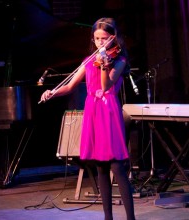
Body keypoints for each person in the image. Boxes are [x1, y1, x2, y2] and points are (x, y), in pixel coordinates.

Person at [40, 17, 135, 220]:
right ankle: (107, 217)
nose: (100, 43)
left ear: (113, 38)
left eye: (105, 39)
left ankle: (131, 218)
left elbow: (105, 86)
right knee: (100, 165)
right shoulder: (88, 60)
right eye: (97, 39)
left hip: (108, 110)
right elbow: (70, 86)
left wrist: (103, 64)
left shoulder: (118, 60)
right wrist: (52, 92)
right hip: (92, 109)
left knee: (117, 166)